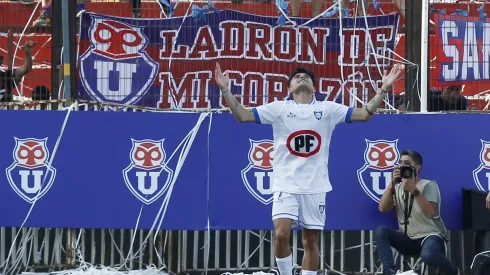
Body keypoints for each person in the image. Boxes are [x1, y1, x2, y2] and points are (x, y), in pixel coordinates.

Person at [214, 62, 403, 275]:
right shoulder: (279, 109)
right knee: (281, 234)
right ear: (289, 89)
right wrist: (224, 88)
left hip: (315, 186)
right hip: (286, 183)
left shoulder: (327, 109)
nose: (302, 78)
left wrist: (384, 88)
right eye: (297, 77)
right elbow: (242, 115)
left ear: (314, 87)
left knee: (310, 241)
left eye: (306, 77)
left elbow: (364, 114)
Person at [375, 150, 459, 275]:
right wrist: (392, 184)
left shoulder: (428, 185)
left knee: (428, 255)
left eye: (407, 163)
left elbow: (431, 213)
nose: (402, 166)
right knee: (381, 231)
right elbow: (383, 208)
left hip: (431, 236)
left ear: (417, 168)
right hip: (409, 238)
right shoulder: (397, 187)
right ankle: (390, 271)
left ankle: (454, 271)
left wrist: (414, 190)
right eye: (401, 162)